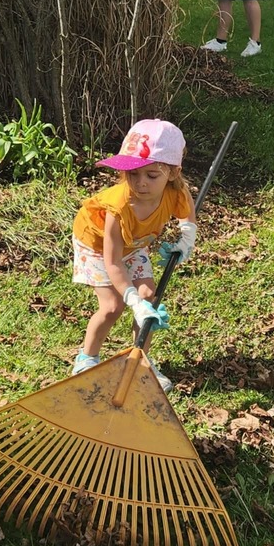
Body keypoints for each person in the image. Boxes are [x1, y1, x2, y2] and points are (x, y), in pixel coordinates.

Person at [71, 119, 197, 391]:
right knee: (112, 306)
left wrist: (187, 237)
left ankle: (140, 360)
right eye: (133, 174)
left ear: (173, 173)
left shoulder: (176, 191)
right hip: (95, 245)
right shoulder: (118, 207)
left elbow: (187, 212)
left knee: (148, 298)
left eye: (152, 176)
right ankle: (86, 358)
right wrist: (130, 299)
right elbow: (112, 261)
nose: (141, 183)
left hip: (133, 244)